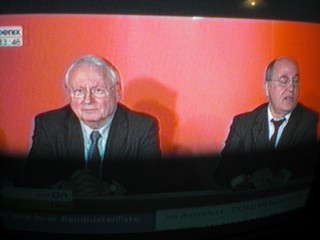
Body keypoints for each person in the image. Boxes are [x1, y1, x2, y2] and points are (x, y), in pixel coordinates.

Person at [24, 55, 163, 195]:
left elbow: (152, 183)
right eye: (79, 91)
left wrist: (108, 188)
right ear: (68, 93)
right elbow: (32, 180)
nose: (87, 100)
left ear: (117, 92)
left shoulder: (142, 128)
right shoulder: (50, 125)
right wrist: (68, 188)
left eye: (98, 90)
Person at [214, 56, 319, 190]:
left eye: (296, 81)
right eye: (284, 80)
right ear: (268, 87)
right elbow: (223, 171)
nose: (291, 88)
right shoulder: (243, 124)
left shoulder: (309, 120)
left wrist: (280, 177)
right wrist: (245, 182)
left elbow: (307, 166)